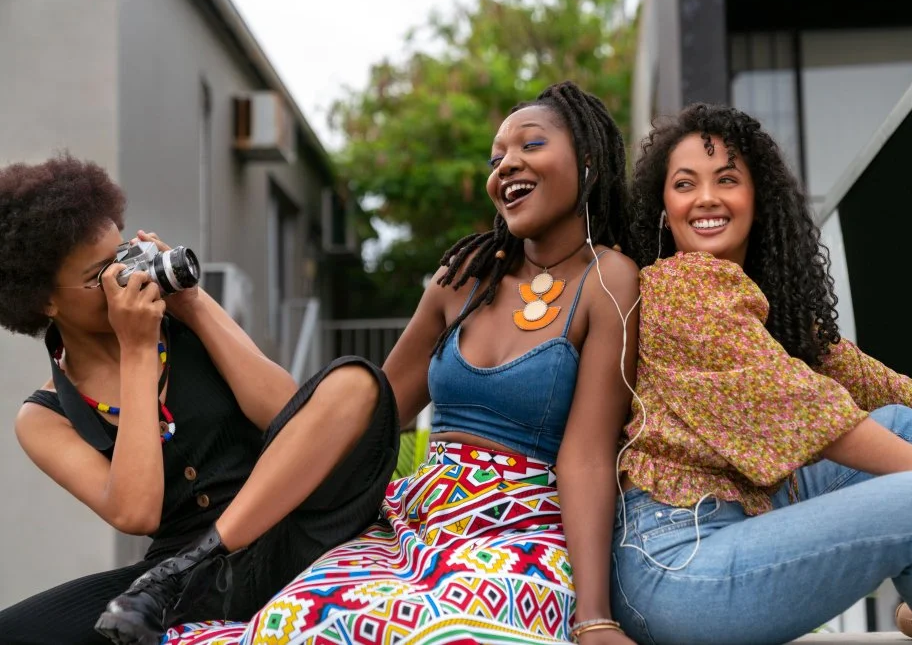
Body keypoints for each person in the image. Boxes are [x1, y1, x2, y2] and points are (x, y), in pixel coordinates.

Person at [160, 81, 641, 645]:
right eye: (496, 157)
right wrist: (196, 315)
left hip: (523, 532)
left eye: (530, 145)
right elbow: (368, 416)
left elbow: (587, 456)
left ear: (587, 163)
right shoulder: (460, 279)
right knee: (293, 624)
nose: (506, 165)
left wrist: (595, 618)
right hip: (415, 525)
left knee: (448, 634)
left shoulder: (608, 279)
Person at [612, 104, 912, 644]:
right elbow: (816, 416)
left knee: (897, 423)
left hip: (742, 525)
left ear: (758, 200)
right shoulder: (680, 290)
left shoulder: (765, 303)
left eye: (727, 179)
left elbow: (890, 391)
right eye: (685, 184)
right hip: (677, 564)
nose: (706, 198)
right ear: (663, 207)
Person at [0, 155, 399, 645]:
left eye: (122, 255)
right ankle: (192, 573)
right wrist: (138, 351)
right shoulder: (44, 417)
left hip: (289, 525)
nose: (121, 278)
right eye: (98, 275)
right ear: (44, 300)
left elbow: (282, 412)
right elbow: (137, 512)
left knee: (357, 382)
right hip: (181, 574)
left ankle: (194, 569)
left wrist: (193, 303)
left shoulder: (183, 322)